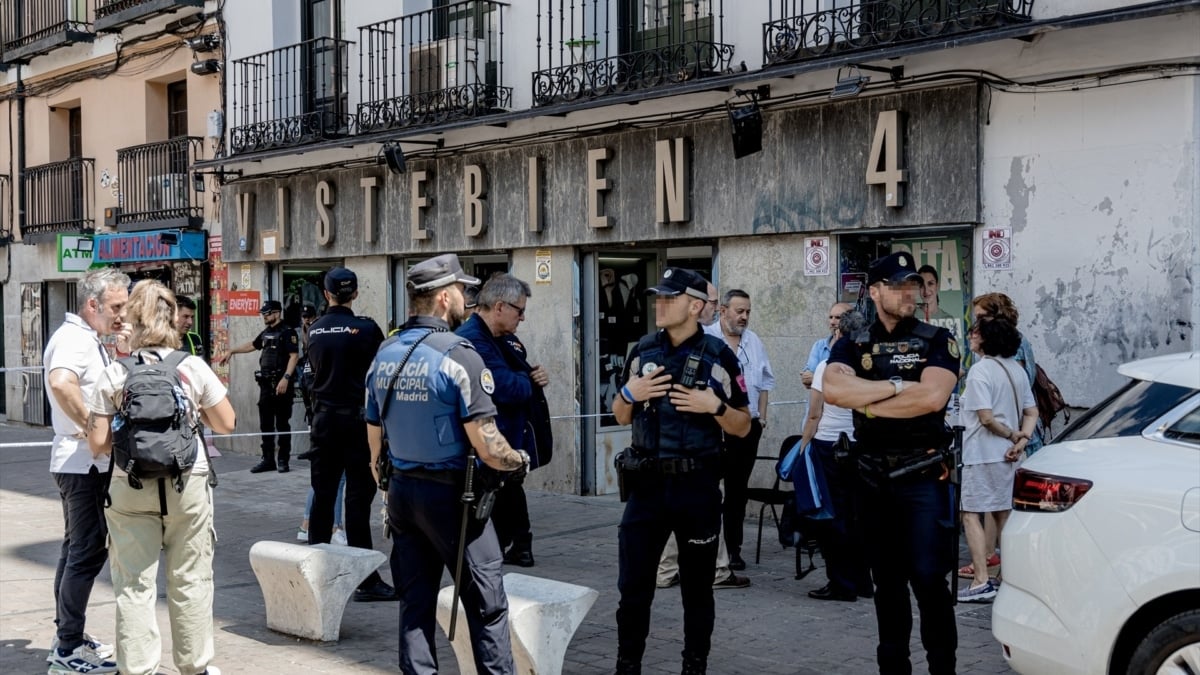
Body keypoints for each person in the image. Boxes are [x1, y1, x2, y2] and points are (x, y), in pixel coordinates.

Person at [366, 253, 530, 674]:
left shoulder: (386, 352)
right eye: (461, 291)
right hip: (455, 498)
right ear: (443, 298)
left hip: (402, 492)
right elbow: (487, 443)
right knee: (487, 607)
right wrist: (518, 460)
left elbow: (373, 440)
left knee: (415, 604)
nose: (467, 299)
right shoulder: (460, 354)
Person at [86, 279, 236, 675]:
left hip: (130, 486)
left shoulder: (115, 372)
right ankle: (195, 667)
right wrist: (192, 411)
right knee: (191, 579)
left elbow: (98, 444)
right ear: (172, 320)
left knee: (134, 585)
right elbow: (227, 423)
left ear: (131, 319)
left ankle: (137, 668)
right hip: (188, 482)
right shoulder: (191, 366)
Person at [823, 251, 960, 675]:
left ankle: (943, 668)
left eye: (914, 285)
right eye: (899, 285)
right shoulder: (853, 341)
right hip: (872, 479)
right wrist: (901, 388)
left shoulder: (937, 339)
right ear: (877, 291)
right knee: (887, 585)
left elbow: (933, 398)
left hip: (923, 477)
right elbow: (833, 390)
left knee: (929, 581)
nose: (910, 293)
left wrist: (868, 400)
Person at [612, 267, 751, 675]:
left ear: (694, 306)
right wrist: (628, 393)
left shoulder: (719, 355)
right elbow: (620, 416)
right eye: (658, 297)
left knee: (697, 591)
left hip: (697, 487)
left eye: (669, 298)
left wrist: (716, 408)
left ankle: (695, 665)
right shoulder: (643, 350)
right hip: (646, 488)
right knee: (633, 590)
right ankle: (627, 665)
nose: (660, 304)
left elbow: (743, 425)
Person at [43, 268, 130, 674]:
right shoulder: (75, 340)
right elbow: (61, 384)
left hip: (79, 463)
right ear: (92, 304)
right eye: (115, 307)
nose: (121, 315)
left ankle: (69, 634)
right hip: (84, 464)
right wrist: (92, 431)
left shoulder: (86, 338)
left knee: (75, 548)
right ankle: (66, 649)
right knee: (87, 551)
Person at [305, 267, 395, 601]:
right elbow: (382, 373)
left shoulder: (313, 331)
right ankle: (366, 581)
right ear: (354, 293)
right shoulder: (367, 329)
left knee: (323, 498)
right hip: (359, 424)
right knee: (358, 502)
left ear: (327, 294)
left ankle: (314, 574)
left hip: (324, 423)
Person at [657, 281, 749, 591]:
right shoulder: (683, 347)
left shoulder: (724, 347)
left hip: (714, 443)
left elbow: (747, 396)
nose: (713, 306)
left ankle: (699, 569)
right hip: (684, 452)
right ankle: (709, 570)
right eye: (710, 301)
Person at [455, 274, 550, 568]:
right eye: (518, 310)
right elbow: (508, 387)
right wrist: (530, 380)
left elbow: (521, 375)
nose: (523, 317)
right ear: (499, 307)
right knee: (486, 506)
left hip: (508, 438)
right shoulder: (473, 340)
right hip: (484, 445)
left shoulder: (503, 338)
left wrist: (531, 378)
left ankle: (516, 547)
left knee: (509, 492)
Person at [957, 316, 1037, 603]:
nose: (970, 338)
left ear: (985, 338)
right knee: (1004, 514)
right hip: (1010, 456)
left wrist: (1011, 435)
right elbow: (1032, 411)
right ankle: (1009, 577)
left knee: (971, 514)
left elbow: (986, 418)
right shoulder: (1015, 369)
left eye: (975, 334)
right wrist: (1022, 439)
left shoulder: (980, 371)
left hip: (982, 452)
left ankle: (981, 579)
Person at [798, 309, 873, 602]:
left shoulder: (827, 367)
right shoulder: (868, 367)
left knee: (833, 517)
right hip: (860, 446)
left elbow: (815, 414)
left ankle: (841, 583)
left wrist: (803, 446)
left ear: (840, 334)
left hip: (829, 445)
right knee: (860, 516)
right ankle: (863, 581)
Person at [705, 288, 774, 570]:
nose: (744, 317)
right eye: (739, 311)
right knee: (708, 489)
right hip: (712, 427)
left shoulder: (754, 341)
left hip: (747, 427)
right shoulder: (707, 339)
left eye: (748, 311)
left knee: (737, 491)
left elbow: (766, 382)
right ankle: (707, 547)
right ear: (723, 311)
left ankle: (733, 549)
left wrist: (762, 418)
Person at [219, 300, 299, 473]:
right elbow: (253, 345)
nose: (264, 316)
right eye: (263, 313)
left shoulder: (288, 332)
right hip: (266, 385)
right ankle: (268, 460)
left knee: (283, 423)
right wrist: (232, 351)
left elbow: (294, 356)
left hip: (281, 384)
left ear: (277, 313)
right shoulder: (266, 332)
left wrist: (286, 378)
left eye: (267, 313)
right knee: (266, 424)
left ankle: (283, 460)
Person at [968, 293, 1043, 455]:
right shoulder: (1006, 344)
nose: (977, 324)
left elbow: (1012, 391)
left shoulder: (1009, 345)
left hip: (1014, 435)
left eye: (982, 318)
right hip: (1014, 434)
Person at [802, 302, 853, 389]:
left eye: (838, 318)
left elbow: (847, 382)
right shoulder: (819, 345)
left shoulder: (856, 347)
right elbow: (807, 380)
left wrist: (815, 379)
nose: (832, 322)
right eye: (830, 317)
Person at [917, 265, 963, 343]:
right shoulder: (910, 318)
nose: (926, 290)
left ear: (937, 286)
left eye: (930, 284)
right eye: (921, 285)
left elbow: (954, 351)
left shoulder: (948, 319)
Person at [176, 295, 206, 361]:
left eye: (192, 317)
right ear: (173, 316)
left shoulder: (195, 338)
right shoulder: (160, 341)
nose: (190, 322)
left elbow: (200, 364)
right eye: (186, 317)